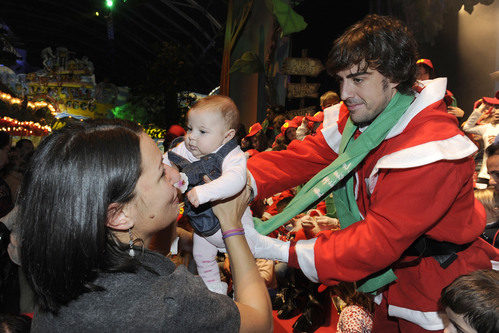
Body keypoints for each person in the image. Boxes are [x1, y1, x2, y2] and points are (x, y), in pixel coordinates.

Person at [247, 14, 499, 332]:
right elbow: (299, 158)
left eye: (358, 79)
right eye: (341, 80)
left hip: (439, 294)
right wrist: (229, 182)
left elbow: (378, 239)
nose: (345, 92)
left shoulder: (434, 147)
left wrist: (276, 249)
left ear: (394, 76)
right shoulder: (365, 113)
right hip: (390, 280)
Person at [17, 119, 272, 332]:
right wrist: (232, 224)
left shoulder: (62, 280)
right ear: (117, 215)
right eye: (161, 172)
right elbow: (260, 322)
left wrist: (180, 235)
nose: (176, 174)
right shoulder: (167, 301)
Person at [163, 95, 269, 294]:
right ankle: (214, 291)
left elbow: (236, 180)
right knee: (202, 256)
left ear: (227, 136)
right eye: (190, 128)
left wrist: (205, 192)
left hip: (234, 223)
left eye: (202, 131)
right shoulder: (188, 147)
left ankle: (244, 293)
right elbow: (167, 160)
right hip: (204, 226)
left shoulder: (232, 155)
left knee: (241, 260)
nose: (192, 136)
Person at [462, 95, 499, 188]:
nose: (495, 111)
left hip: (497, 175)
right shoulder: (488, 127)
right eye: (495, 108)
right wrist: (481, 109)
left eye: (498, 108)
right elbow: (467, 127)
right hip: (485, 173)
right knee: (480, 200)